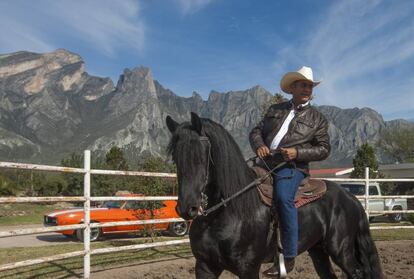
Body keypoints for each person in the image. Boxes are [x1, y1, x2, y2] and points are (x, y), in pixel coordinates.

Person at [249, 66, 330, 277]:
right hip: (265, 162)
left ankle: (289, 258)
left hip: (293, 167)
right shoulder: (274, 109)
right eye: (303, 85)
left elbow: (324, 149)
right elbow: (256, 131)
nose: (307, 89)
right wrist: (259, 145)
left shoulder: (317, 119)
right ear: (292, 87)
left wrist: (297, 152)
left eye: (310, 86)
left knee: (283, 197)